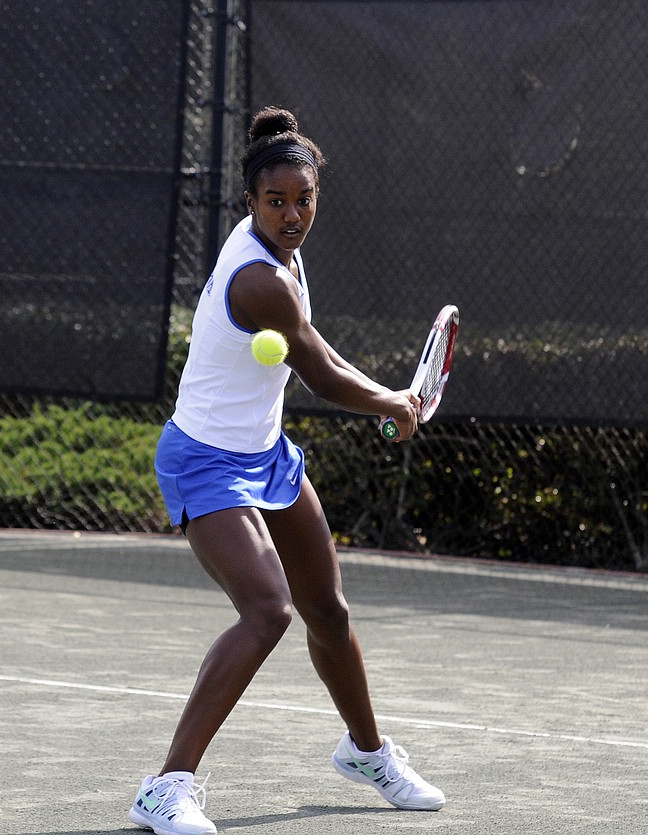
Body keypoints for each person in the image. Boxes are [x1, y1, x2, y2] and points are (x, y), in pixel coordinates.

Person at [128, 106, 444, 835]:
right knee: (269, 609)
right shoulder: (258, 278)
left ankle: (367, 753)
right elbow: (322, 375)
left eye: (305, 200)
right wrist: (390, 401)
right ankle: (164, 788)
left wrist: (388, 399)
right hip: (204, 461)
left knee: (328, 611)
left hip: (266, 454)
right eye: (276, 202)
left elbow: (316, 349)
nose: (293, 215)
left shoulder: (286, 256)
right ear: (250, 201)